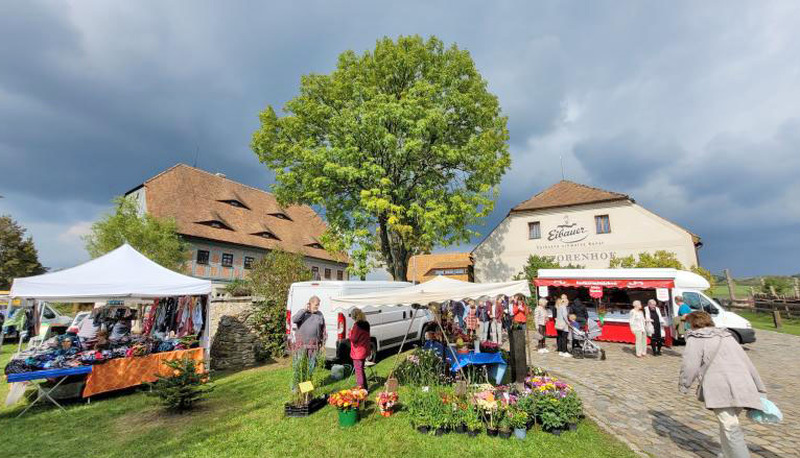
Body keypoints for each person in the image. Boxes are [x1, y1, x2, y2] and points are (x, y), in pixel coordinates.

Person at [679, 311, 766, 458]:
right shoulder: (727, 337)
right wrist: (758, 385)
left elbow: (689, 365)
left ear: (692, 323)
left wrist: (684, 385)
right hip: (742, 384)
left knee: (730, 427)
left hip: (720, 387)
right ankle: (727, 454)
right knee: (727, 424)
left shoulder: (696, 339)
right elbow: (747, 362)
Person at [291, 295, 326, 385]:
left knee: (311, 368)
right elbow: (294, 320)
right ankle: (295, 388)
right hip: (301, 346)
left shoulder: (320, 314)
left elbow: (323, 330)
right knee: (298, 367)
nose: (317, 307)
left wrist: (322, 344)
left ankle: (307, 389)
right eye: (316, 305)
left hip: (314, 346)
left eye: (318, 305)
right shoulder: (303, 313)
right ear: (309, 304)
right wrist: (304, 310)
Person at [349, 308, 371, 389]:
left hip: (358, 351)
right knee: (361, 369)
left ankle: (360, 389)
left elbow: (354, 339)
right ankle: (365, 388)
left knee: (358, 371)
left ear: (354, 317)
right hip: (365, 349)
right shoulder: (366, 323)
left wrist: (350, 333)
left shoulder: (357, 325)